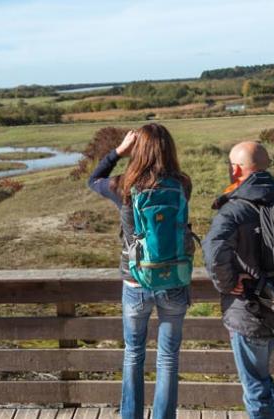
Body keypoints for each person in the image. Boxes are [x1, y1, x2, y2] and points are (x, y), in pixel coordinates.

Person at [88, 123, 193, 419]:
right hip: (174, 279)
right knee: (169, 357)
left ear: (138, 149)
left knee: (134, 354)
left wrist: (118, 151)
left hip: (136, 282)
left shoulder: (123, 186)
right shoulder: (183, 184)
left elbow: (93, 179)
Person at [202, 141, 274, 419]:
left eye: (232, 164)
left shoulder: (234, 209)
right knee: (262, 377)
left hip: (248, 308)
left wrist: (228, 282)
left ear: (237, 169)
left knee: (254, 387)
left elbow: (213, 250)